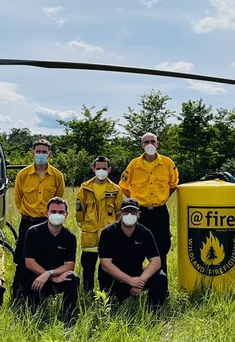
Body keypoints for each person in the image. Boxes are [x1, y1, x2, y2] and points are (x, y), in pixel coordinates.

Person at [12, 138, 66, 297]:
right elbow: (18, 199)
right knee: (22, 259)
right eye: (38, 151)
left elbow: (58, 200)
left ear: (50, 153)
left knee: (45, 258)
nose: (41, 155)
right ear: (32, 153)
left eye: (44, 152)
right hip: (27, 222)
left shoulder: (57, 175)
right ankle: (19, 294)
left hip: (47, 224)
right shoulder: (23, 175)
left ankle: (44, 293)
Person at [119, 132, 178, 275]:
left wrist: (163, 198)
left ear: (157, 144)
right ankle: (134, 284)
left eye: (153, 141)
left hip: (160, 212)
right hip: (140, 213)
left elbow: (173, 184)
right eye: (146, 142)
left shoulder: (168, 163)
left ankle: (161, 287)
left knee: (161, 249)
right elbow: (123, 185)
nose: (150, 144)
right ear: (141, 145)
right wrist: (135, 201)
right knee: (136, 248)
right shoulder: (134, 164)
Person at [98, 198, 169, 311]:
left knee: (160, 277)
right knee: (111, 309)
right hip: (113, 277)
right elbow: (105, 264)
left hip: (136, 275)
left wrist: (140, 281)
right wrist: (130, 281)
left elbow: (156, 261)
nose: (129, 215)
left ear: (139, 214)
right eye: (126, 212)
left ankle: (153, 313)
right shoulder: (108, 233)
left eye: (133, 211)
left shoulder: (145, 233)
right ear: (120, 213)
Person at [22, 196, 79, 323]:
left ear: (66, 214)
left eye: (61, 212)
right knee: (33, 314)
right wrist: (50, 277)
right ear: (46, 213)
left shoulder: (70, 237)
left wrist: (50, 274)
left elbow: (69, 265)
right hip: (35, 278)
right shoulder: (33, 232)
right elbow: (29, 262)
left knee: (73, 279)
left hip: (56, 277)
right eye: (53, 212)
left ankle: (67, 318)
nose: (57, 215)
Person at [75, 155, 124, 293]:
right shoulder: (84, 188)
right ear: (93, 169)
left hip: (109, 236)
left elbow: (119, 212)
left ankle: (106, 294)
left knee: (107, 268)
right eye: (98, 168)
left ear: (109, 169)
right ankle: (87, 293)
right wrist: (85, 225)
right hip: (89, 235)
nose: (101, 171)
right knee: (88, 268)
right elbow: (80, 211)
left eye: (104, 168)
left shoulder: (115, 189)